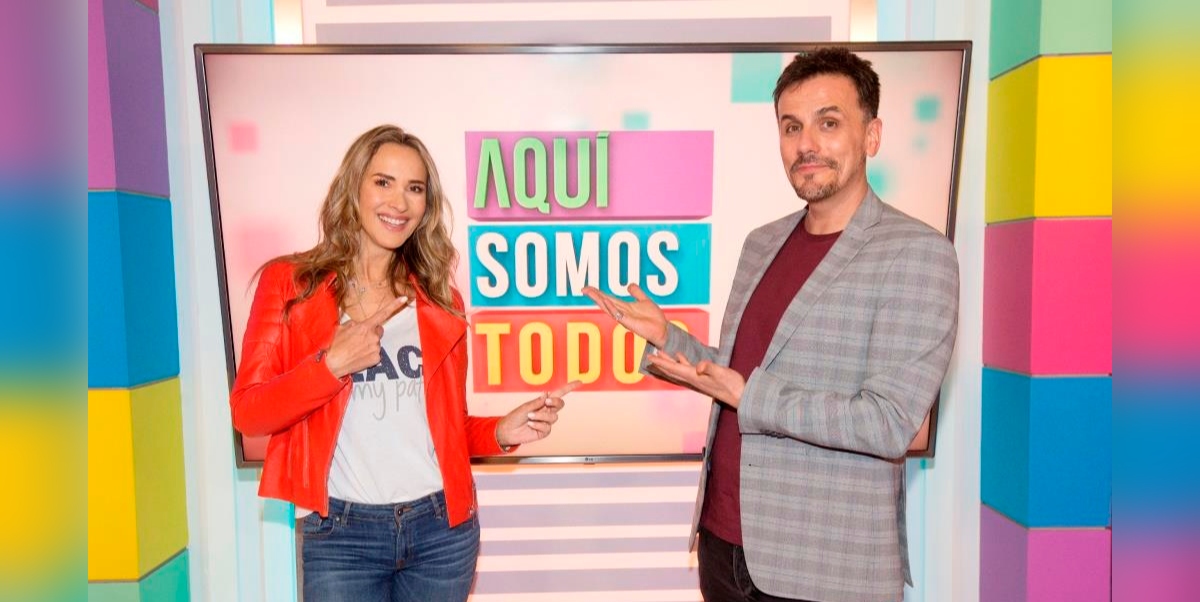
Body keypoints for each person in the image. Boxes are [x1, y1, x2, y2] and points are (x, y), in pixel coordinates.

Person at [585, 47, 959, 602]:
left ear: (872, 135)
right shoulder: (762, 242)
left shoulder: (917, 253)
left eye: (828, 123)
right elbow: (736, 375)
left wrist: (749, 395)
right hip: (723, 545)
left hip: (823, 567)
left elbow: (889, 423)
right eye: (791, 127)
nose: (806, 144)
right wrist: (668, 337)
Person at [230, 124, 580, 602]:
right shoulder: (291, 284)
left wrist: (501, 431)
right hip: (341, 535)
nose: (399, 202)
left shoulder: (440, 300)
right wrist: (329, 367)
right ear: (353, 187)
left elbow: (448, 429)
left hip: (441, 533)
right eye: (383, 182)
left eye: (415, 188)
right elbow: (248, 413)